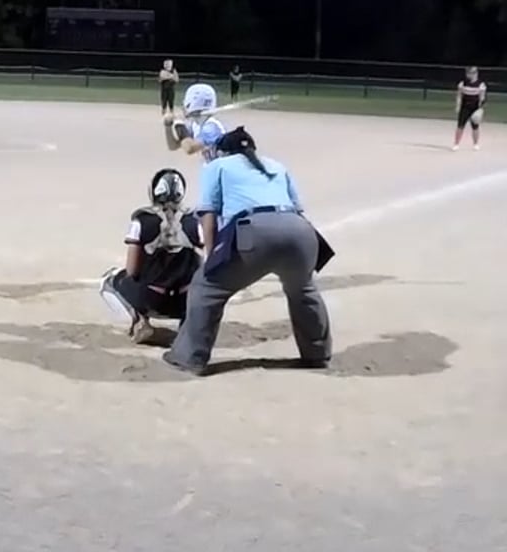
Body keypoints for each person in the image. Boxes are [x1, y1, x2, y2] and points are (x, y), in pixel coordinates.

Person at [165, 126, 334, 376]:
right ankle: (317, 354)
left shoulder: (217, 166)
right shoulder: (276, 165)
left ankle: (189, 356)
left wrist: (212, 257)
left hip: (253, 232)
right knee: (303, 290)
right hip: (300, 232)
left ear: (224, 152)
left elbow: (208, 214)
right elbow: (298, 210)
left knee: (206, 288)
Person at [98, 168, 205, 343]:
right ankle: (188, 326)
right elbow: (201, 267)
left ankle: (139, 321)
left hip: (152, 298)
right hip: (185, 301)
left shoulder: (142, 220)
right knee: (199, 284)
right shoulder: (195, 220)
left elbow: (132, 270)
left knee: (109, 281)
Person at [164, 82, 224, 153]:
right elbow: (173, 146)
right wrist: (168, 126)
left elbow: (190, 148)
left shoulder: (211, 127)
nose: (183, 106)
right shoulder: (196, 124)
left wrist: (179, 123)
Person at [452, 66, 487, 150]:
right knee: (460, 126)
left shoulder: (481, 84)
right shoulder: (462, 83)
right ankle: (456, 144)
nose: (469, 75)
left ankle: (475, 144)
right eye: (468, 73)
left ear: (476, 74)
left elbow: (482, 98)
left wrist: (480, 109)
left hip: (475, 108)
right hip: (465, 107)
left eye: (471, 73)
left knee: (475, 127)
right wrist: (458, 106)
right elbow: (459, 96)